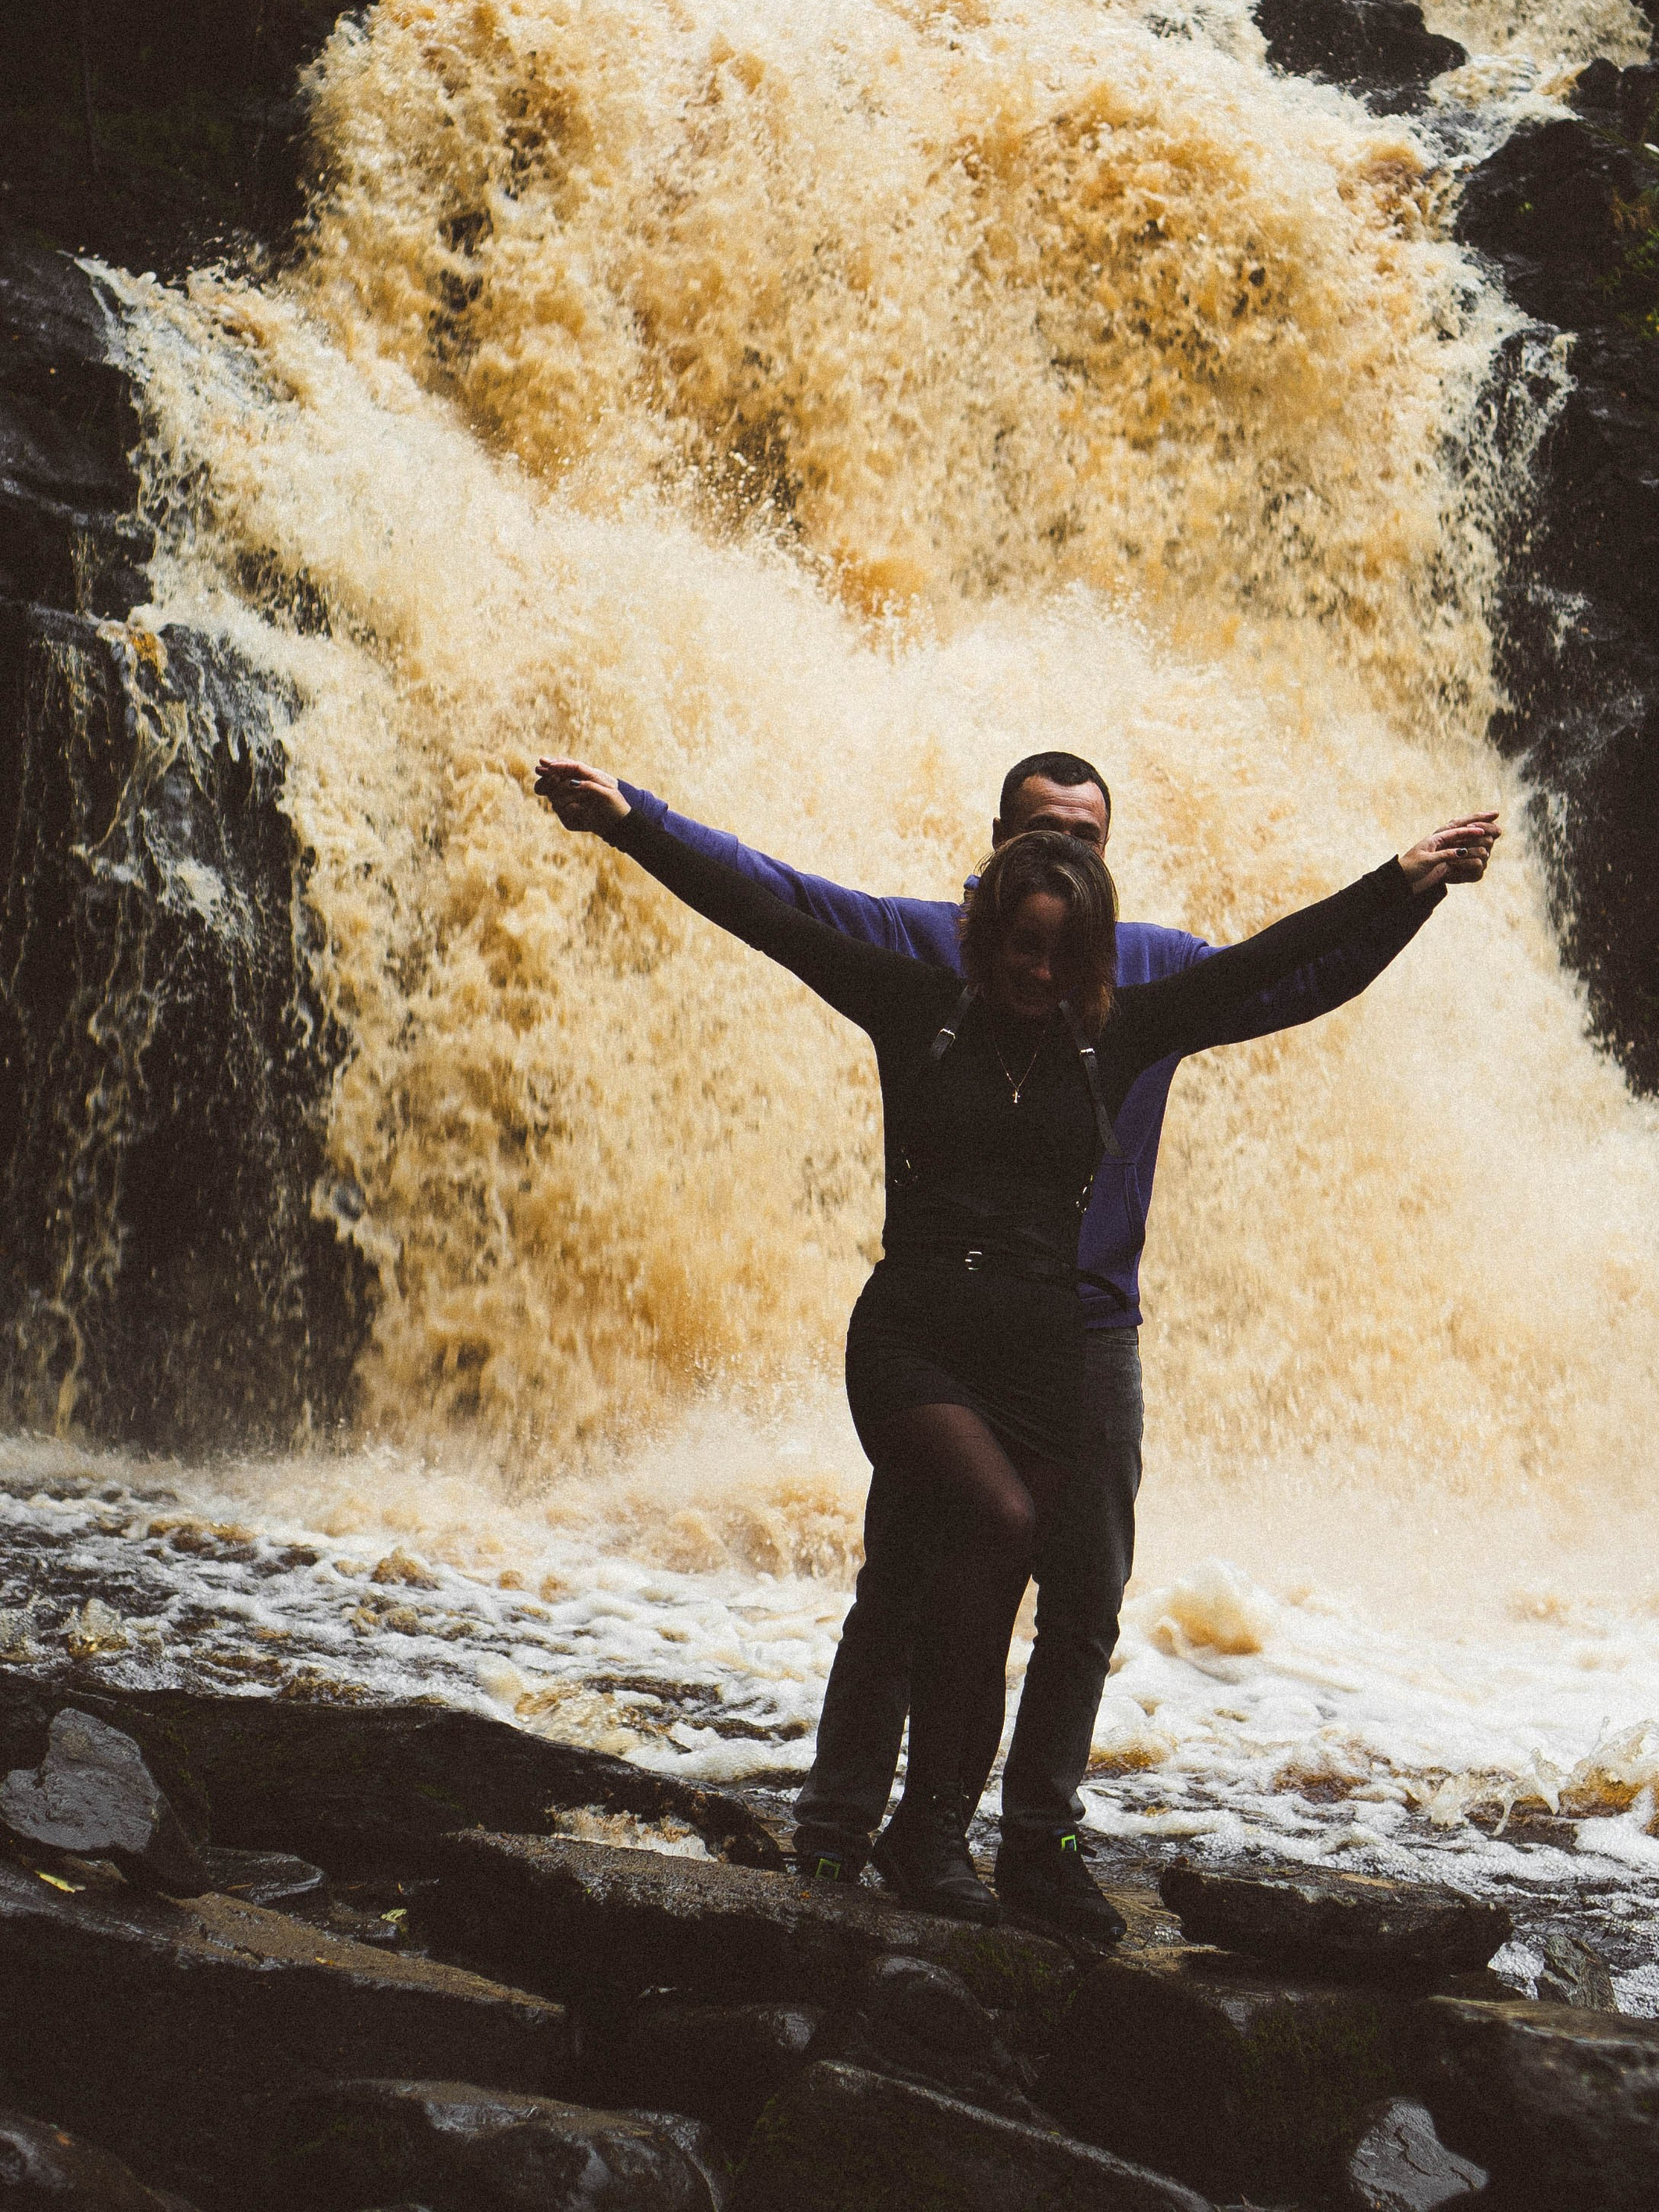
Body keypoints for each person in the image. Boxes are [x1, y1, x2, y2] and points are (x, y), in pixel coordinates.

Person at [536, 752, 1496, 1933]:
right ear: (989, 894)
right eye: (1021, 942)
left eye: (1067, 925)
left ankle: (973, 1841)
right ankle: (845, 1836)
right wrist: (638, 825)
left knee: (1037, 1599)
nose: (1039, 968)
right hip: (926, 1336)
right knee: (938, 1562)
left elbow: (1285, 964)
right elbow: (767, 905)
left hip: (1064, 1348)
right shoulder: (914, 981)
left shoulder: (1135, 1008)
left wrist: (1404, 885)